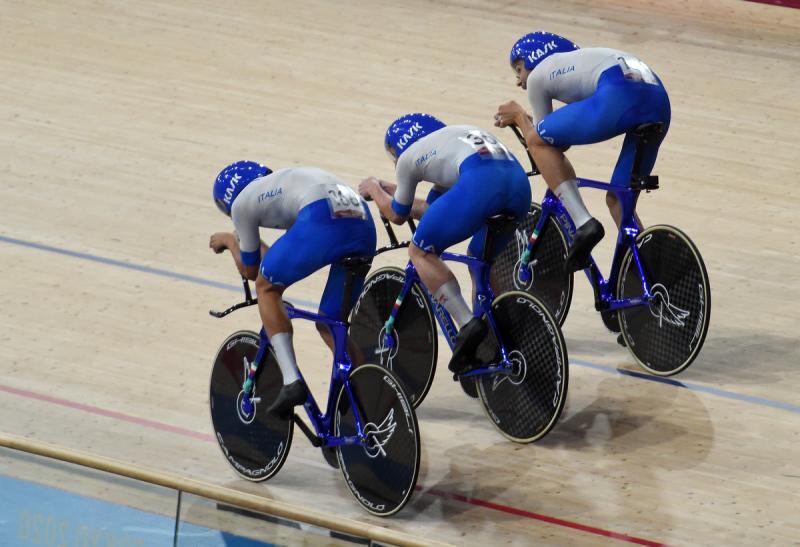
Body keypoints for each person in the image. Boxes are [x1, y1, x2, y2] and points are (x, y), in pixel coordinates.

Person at [358, 114, 530, 373]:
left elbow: (397, 215)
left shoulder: (408, 158)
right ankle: (499, 325)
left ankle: (467, 324)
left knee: (420, 251)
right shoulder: (452, 141)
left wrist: (373, 188)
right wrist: (392, 190)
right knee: (479, 258)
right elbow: (433, 210)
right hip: (518, 187)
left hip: (479, 184)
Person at [494, 31, 671, 272]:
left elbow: (540, 142)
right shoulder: (579, 64)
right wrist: (528, 122)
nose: (518, 80)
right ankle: (651, 276)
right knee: (618, 201)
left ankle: (583, 223)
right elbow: (557, 139)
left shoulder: (539, 75)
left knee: (537, 141)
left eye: (518, 68)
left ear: (535, 57)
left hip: (618, 96)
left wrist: (517, 115)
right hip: (658, 101)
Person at [209, 161, 376, 417]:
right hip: (362, 222)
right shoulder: (282, 185)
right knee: (330, 323)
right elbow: (277, 259)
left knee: (266, 290)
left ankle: (291, 381)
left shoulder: (242, 204)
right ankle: (367, 399)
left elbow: (252, 272)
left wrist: (231, 240)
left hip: (320, 217)